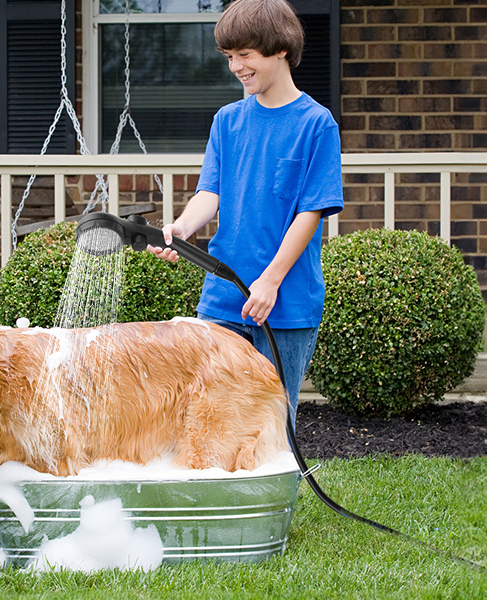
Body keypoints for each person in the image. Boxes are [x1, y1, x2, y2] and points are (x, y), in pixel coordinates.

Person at [150, 0, 343, 419]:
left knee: (271, 422)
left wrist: (271, 281)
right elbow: (210, 193)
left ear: (281, 50)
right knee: (211, 416)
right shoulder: (227, 121)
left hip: (285, 303)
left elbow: (310, 214)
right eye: (229, 57)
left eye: (245, 55)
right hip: (223, 297)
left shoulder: (316, 124)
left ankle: (275, 489)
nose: (236, 66)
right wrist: (182, 227)